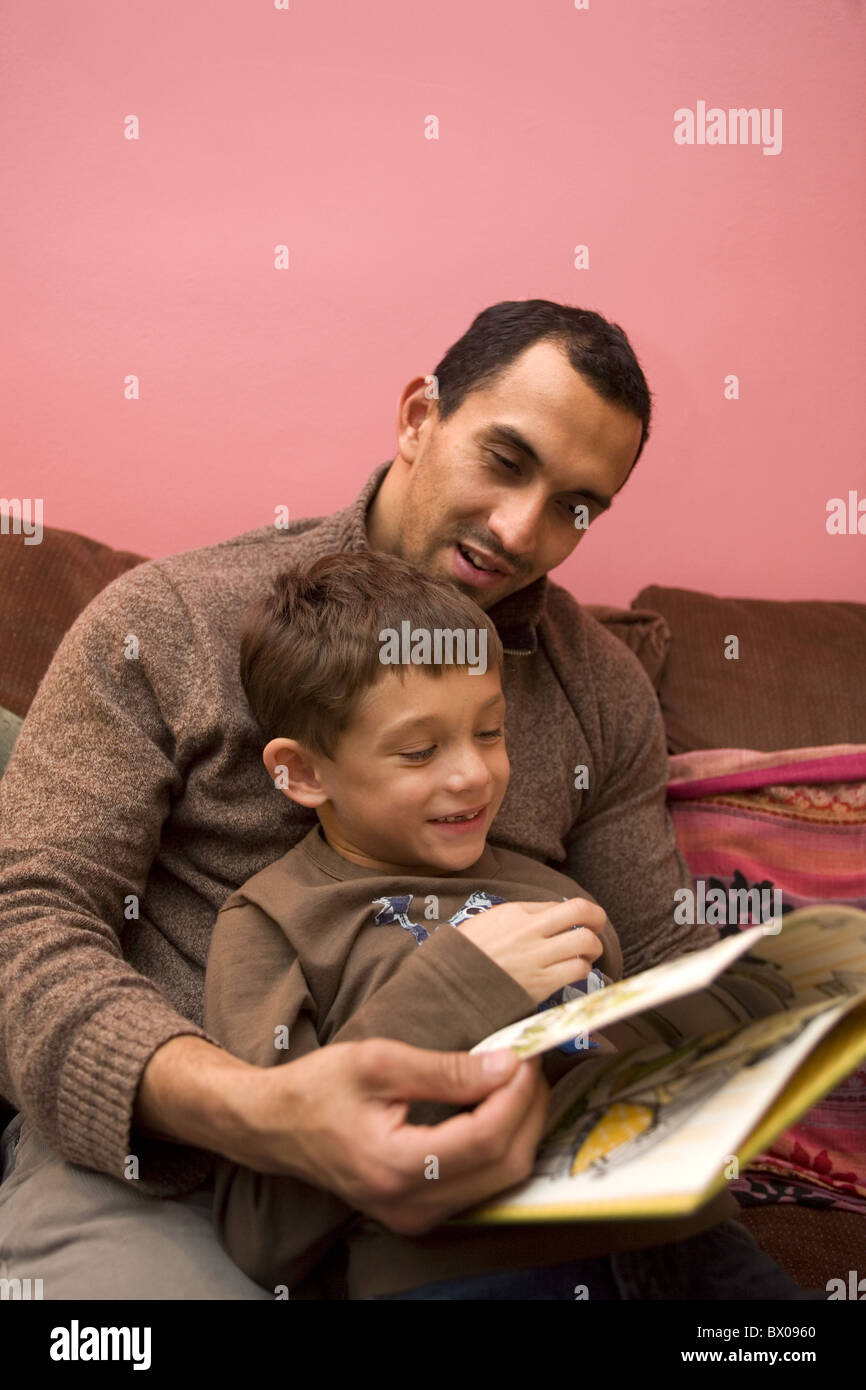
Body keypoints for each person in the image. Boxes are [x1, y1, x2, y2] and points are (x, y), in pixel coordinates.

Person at [0, 299, 793, 1299]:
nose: (519, 529)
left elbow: (663, 953)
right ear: (419, 415)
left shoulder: (596, 687)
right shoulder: (167, 625)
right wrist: (262, 1109)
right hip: (178, 1165)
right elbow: (25, 926)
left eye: (573, 506)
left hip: (500, 1191)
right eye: (504, 461)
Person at [203, 549, 810, 1300]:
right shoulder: (272, 922)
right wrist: (464, 984)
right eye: (419, 750)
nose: (473, 775)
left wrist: (750, 1011)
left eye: (489, 732)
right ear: (303, 772)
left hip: (687, 1243)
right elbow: (263, 1223)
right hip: (471, 1270)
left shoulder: (547, 888)